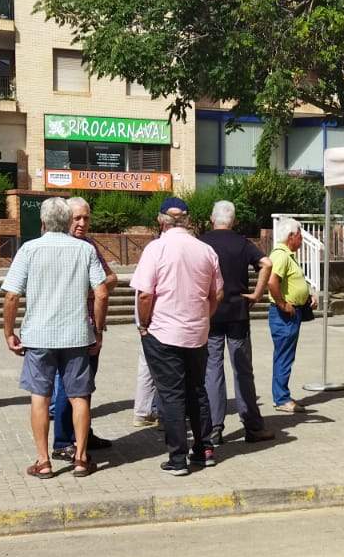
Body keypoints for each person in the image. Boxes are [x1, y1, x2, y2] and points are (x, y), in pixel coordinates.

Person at [2, 196, 109, 478]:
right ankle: (82, 458)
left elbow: (12, 294)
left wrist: (9, 332)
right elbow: (101, 292)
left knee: (40, 397)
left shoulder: (29, 249)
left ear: (43, 222)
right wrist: (98, 330)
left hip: (39, 336)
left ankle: (43, 461)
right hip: (76, 335)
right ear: (66, 221)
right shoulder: (84, 250)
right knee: (79, 396)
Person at [131, 197, 223, 476]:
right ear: (187, 219)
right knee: (197, 390)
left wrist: (144, 324)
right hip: (196, 333)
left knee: (171, 395)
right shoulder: (205, 250)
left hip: (163, 332)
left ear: (161, 220)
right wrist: (204, 318)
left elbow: (145, 293)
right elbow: (216, 294)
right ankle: (204, 448)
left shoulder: (156, 249)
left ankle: (178, 457)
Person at [200, 200, 274, 446]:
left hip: (210, 313)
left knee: (212, 369)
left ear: (212, 218)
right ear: (234, 221)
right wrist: (257, 293)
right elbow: (267, 263)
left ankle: (213, 428)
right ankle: (252, 426)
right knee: (242, 370)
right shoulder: (243, 243)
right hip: (238, 314)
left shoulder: (202, 243)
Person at [50, 197, 116, 461]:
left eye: (86, 218)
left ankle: (83, 435)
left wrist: (93, 287)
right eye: (77, 218)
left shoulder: (89, 245)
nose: (82, 223)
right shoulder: (56, 246)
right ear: (65, 218)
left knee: (85, 386)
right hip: (67, 327)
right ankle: (64, 441)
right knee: (68, 387)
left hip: (89, 326)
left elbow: (110, 278)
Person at [266, 220, 314, 414]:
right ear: (291, 236)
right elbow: (272, 282)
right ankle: (281, 398)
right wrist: (283, 303)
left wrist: (306, 296)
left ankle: (282, 394)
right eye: (300, 235)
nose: (301, 239)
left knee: (286, 355)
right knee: (284, 356)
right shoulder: (281, 256)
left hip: (292, 312)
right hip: (284, 315)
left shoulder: (287, 256)